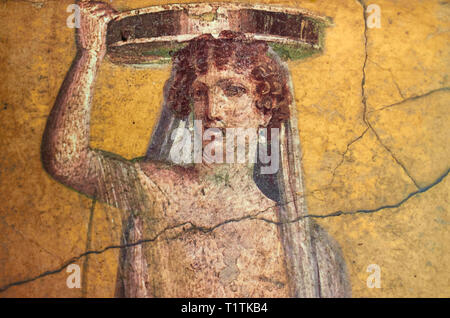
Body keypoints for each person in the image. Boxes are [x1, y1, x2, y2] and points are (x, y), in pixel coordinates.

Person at [42, 1, 350, 297]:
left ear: (266, 109)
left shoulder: (307, 246)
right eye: (200, 92)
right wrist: (90, 55)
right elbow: (67, 161)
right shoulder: (158, 191)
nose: (212, 110)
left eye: (233, 90)